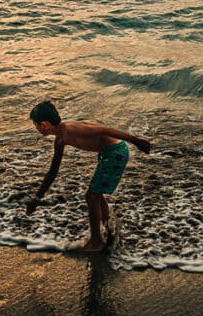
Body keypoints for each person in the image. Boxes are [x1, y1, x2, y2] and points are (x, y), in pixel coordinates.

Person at [26, 101, 152, 253]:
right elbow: (53, 172)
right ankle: (109, 230)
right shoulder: (60, 140)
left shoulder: (70, 129)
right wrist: (37, 198)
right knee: (96, 195)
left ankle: (96, 241)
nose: (36, 129)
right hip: (107, 153)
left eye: (36, 125)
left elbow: (105, 130)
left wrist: (137, 142)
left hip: (115, 152)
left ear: (44, 125)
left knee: (91, 196)